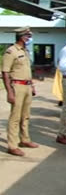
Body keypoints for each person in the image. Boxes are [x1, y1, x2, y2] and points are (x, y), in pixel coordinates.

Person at [1, 26, 39, 156]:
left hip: (27, 86)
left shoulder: (26, 51)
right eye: (28, 36)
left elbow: (28, 70)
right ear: (22, 37)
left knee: (25, 115)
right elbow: (5, 72)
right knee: (15, 117)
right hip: (17, 86)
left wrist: (32, 86)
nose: (30, 38)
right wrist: (9, 92)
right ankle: (12, 145)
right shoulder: (11, 51)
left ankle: (25, 139)